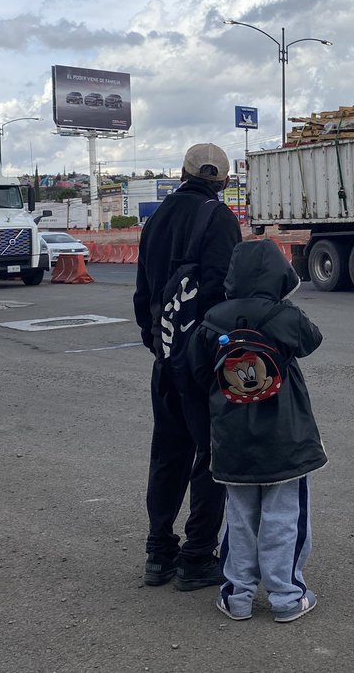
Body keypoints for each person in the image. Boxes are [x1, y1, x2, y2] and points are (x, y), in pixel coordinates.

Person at [192, 239, 326, 623]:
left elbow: (198, 373)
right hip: (286, 438)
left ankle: (237, 596)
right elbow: (312, 340)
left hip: (233, 438)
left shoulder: (212, 318)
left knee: (239, 516)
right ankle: (286, 597)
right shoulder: (283, 316)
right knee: (285, 516)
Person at [132, 143, 242, 590]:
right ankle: (197, 556)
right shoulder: (219, 218)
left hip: (166, 355)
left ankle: (159, 552)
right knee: (211, 454)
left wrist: (159, 344)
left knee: (168, 452)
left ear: (181, 173)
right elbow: (226, 290)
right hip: (203, 358)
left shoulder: (155, 220)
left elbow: (144, 292)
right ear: (225, 181)